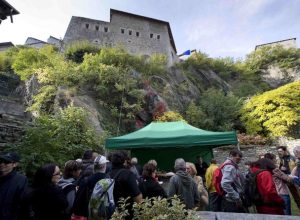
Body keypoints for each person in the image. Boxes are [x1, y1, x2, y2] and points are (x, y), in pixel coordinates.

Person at [109, 151, 142, 220]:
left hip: (111, 213)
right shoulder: (128, 174)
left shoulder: (107, 175)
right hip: (126, 214)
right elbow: (138, 199)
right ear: (124, 161)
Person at [0, 152, 28, 220]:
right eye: (1, 161)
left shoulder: (21, 180)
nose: (2, 164)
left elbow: (22, 204)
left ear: (15, 164)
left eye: (7, 162)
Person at [220, 149, 245, 213]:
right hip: (232, 200)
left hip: (232, 199)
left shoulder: (229, 165)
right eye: (237, 159)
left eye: (240, 159)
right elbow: (225, 183)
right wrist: (236, 197)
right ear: (231, 156)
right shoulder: (230, 166)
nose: (239, 161)